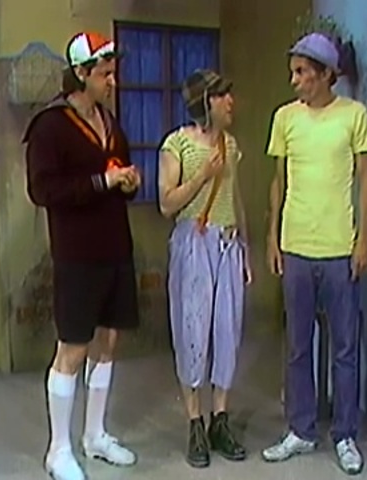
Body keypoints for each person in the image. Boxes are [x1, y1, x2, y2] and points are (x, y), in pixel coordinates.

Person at [22, 32, 141, 480]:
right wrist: (100, 183)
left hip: (116, 248)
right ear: (81, 73)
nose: (112, 81)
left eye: (113, 72)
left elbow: (117, 177)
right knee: (73, 348)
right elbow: (42, 190)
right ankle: (59, 450)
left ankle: (95, 435)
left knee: (108, 343)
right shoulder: (50, 126)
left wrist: (127, 183)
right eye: (105, 73)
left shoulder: (110, 122)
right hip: (77, 255)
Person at [261, 33, 367, 475]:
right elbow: (278, 181)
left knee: (345, 347)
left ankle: (345, 434)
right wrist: (272, 237)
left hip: (339, 247)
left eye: (302, 72)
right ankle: (301, 429)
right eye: (293, 72)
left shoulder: (354, 115)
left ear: (327, 74)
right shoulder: (285, 118)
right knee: (297, 346)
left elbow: (366, 181)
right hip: (296, 246)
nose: (295, 81)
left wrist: (364, 239)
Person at [157, 69, 251, 469]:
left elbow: (235, 196)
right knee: (192, 331)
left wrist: (245, 248)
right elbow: (167, 203)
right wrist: (202, 175)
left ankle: (220, 419)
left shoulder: (231, 145)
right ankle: (194, 421)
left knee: (228, 331)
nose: (231, 102)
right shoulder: (176, 144)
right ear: (204, 103)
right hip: (193, 243)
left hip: (228, 244)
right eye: (222, 96)